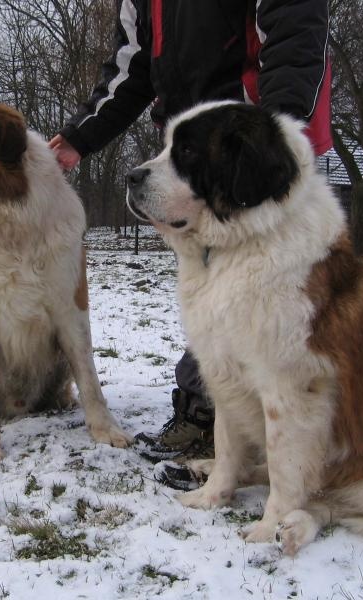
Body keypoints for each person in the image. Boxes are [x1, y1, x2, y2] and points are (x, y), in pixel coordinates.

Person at [49, 0, 332, 470]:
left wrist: (270, 134)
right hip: (192, 152)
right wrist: (82, 135)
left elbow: (294, 37)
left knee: (271, 308)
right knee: (210, 297)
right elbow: (132, 67)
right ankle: (218, 420)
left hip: (253, 151)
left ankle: (274, 433)